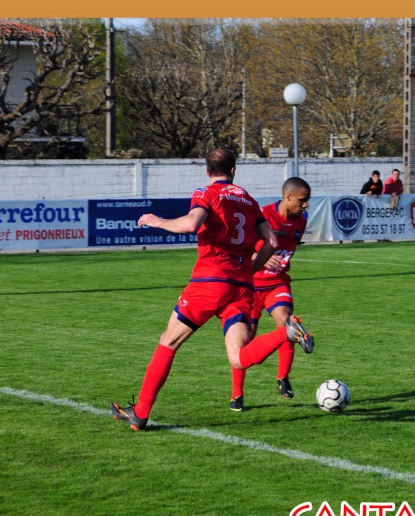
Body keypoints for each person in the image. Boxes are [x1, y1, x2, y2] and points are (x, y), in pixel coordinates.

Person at [109, 149, 314, 431]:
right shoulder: (250, 200)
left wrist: (158, 222)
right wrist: (248, 272)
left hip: (209, 282)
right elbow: (273, 243)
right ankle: (285, 332)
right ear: (233, 170)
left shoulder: (207, 193)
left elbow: (192, 224)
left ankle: (141, 412)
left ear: (208, 171)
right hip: (240, 288)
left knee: (168, 341)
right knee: (238, 358)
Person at [230, 177, 311, 411]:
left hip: (277, 284)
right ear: (288, 197)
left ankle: (283, 378)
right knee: (244, 339)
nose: (305, 205)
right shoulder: (262, 216)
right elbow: (243, 249)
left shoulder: (301, 222)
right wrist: (261, 258)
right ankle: (237, 394)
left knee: (286, 323)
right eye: (302, 200)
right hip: (252, 285)